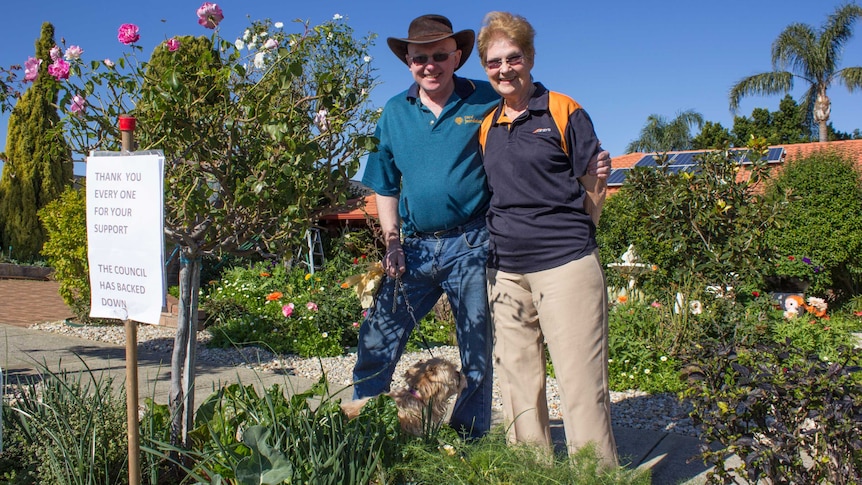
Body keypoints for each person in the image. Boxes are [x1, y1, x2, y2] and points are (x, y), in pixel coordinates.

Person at [353, 14, 610, 439]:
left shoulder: (485, 98)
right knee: (378, 337)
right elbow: (384, 185)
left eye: (439, 55)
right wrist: (392, 241)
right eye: (420, 58)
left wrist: (590, 164)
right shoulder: (395, 112)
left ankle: (467, 439)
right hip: (413, 247)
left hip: (474, 242)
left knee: (478, 352)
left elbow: (532, 127)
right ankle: (365, 428)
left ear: (457, 57)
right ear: (408, 61)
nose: (430, 65)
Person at [476, 11, 618, 467]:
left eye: (513, 58)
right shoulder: (487, 126)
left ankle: (596, 475)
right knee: (518, 384)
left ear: (530, 57)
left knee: (580, 385)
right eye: (494, 62)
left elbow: (594, 181)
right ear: (485, 68)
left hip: (565, 265)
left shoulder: (563, 111)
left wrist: (583, 230)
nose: (504, 69)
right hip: (505, 272)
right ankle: (532, 472)